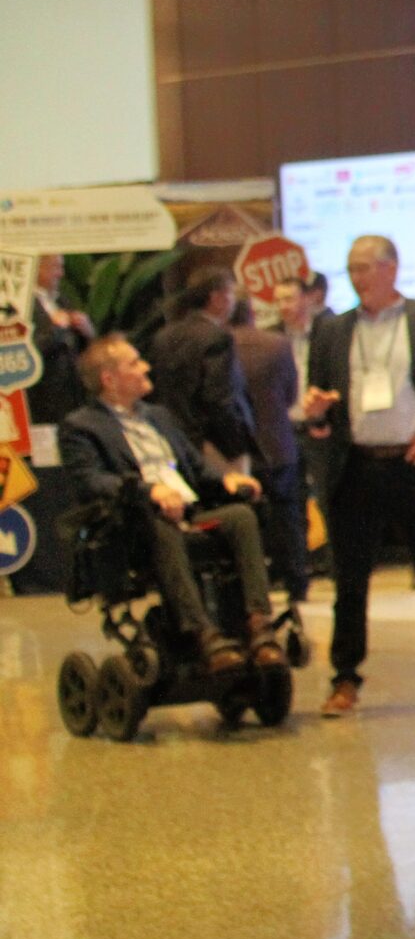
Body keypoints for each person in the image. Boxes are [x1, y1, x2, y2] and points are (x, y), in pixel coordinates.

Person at [302, 235, 415, 716]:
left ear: (391, 268)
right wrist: (316, 414)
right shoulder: (332, 331)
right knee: (350, 582)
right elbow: (319, 407)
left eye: (365, 267)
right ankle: (344, 678)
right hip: (355, 466)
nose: (358, 278)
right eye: (351, 269)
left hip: (414, 464)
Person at [59, 334, 281, 674]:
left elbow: (195, 465)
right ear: (109, 379)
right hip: (137, 523)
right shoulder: (81, 427)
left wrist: (226, 479)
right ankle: (203, 634)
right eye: (135, 363)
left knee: (240, 516)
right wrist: (149, 492)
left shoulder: (159, 416)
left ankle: (258, 624)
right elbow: (91, 480)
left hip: (188, 510)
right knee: (160, 525)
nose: (146, 367)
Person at [231, 284, 311, 608]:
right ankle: (297, 582)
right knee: (288, 514)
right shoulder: (277, 344)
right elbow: (291, 394)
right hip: (277, 439)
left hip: (236, 445)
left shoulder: (220, 346)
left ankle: (253, 584)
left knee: (246, 517)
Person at [147, 271, 257, 469]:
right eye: (231, 293)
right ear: (217, 298)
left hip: (174, 440)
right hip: (215, 447)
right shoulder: (216, 338)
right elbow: (220, 398)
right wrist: (237, 446)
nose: (234, 302)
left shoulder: (164, 336)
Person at [27, 253, 93, 425]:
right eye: (55, 267)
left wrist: (86, 331)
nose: (60, 274)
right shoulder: (24, 305)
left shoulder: (62, 300)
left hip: (72, 395)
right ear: (37, 268)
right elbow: (27, 352)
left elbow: (80, 348)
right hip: (42, 399)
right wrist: (54, 329)